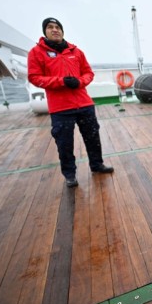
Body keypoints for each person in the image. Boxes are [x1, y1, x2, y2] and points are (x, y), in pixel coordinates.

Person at [28, 17, 114, 188]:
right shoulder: (37, 53)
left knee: (93, 137)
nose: (55, 30)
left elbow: (88, 73)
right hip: (60, 108)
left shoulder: (76, 51)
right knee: (64, 143)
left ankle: (97, 165)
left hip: (84, 104)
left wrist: (80, 82)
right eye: (50, 27)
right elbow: (34, 77)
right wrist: (61, 81)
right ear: (44, 31)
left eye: (58, 27)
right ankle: (70, 174)